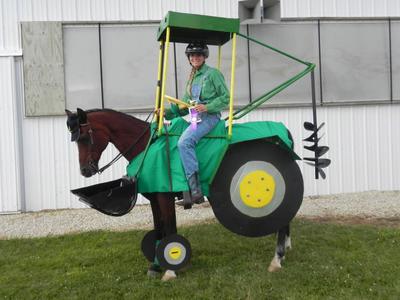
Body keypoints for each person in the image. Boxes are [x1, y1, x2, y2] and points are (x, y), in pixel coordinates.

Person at [164, 42, 229, 204]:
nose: (195, 58)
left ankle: (196, 191)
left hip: (209, 117)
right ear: (188, 58)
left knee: (184, 142)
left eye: (198, 55)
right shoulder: (192, 78)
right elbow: (185, 106)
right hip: (195, 118)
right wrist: (166, 113)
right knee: (176, 130)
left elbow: (226, 98)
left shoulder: (213, 74)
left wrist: (207, 106)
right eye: (192, 55)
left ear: (204, 56)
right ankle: (183, 188)